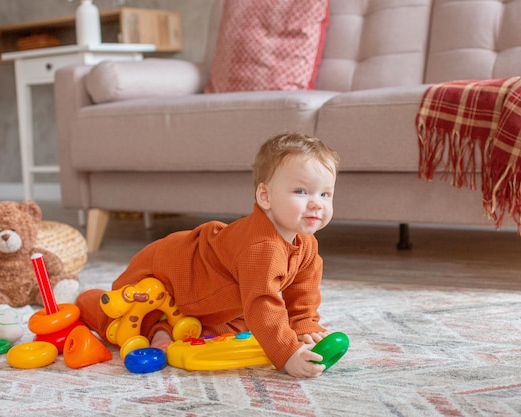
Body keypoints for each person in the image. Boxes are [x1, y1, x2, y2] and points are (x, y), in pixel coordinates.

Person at [75, 132, 340, 378]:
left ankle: (166, 330)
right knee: (121, 321)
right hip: (169, 271)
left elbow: (304, 286)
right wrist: (286, 353)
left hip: (215, 302)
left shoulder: (305, 242)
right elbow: (263, 303)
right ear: (265, 196)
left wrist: (304, 324)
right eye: (301, 191)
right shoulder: (262, 248)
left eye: (325, 193)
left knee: (237, 329)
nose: (317, 203)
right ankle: (84, 301)